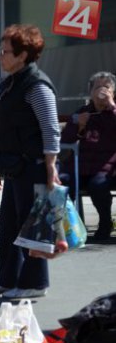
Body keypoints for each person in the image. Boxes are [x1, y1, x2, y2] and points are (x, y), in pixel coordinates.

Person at [0, 24, 60, 300]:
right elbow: (3, 128)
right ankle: (8, 277)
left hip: (33, 166)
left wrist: (50, 166)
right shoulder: (11, 83)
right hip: (14, 166)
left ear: (23, 55)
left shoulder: (36, 85)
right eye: (0, 51)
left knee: (33, 227)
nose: (0, 56)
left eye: (5, 52)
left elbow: (50, 128)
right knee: (9, 226)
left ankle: (36, 282)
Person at [60, 71, 116, 242]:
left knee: (98, 185)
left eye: (106, 87)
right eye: (97, 87)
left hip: (107, 167)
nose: (102, 91)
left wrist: (112, 106)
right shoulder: (83, 112)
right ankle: (70, 226)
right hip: (80, 166)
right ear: (91, 92)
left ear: (113, 92)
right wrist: (79, 127)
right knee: (62, 182)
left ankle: (105, 222)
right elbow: (66, 141)